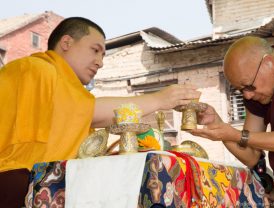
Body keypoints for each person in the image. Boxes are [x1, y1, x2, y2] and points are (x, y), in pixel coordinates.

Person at [0, 17, 201, 207]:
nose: (100, 62)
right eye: (95, 50)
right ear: (66, 43)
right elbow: (89, 111)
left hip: (46, 187)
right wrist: (159, 99)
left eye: (103, 55)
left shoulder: (69, 90)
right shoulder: (36, 69)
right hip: (15, 185)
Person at [190, 36, 274, 206]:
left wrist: (237, 135)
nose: (247, 95)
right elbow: (252, 154)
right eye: (241, 90)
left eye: (248, 86)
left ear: (268, 64)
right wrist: (219, 127)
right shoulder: (258, 93)